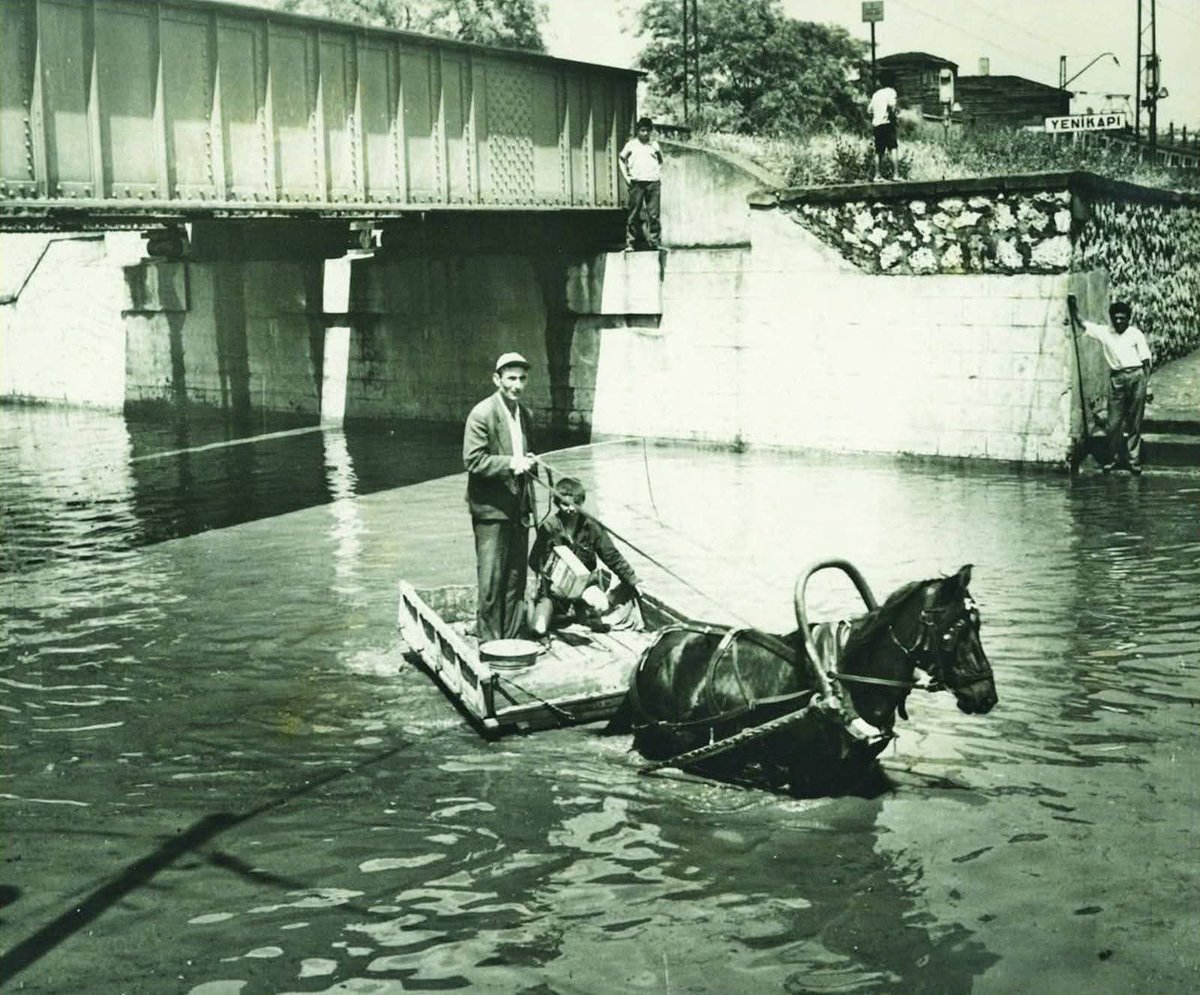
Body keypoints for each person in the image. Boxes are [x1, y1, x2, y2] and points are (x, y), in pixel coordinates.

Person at [463, 352, 539, 642]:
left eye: (522, 379)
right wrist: (510, 463)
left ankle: (513, 636)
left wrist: (530, 462)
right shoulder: (481, 414)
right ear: (497, 379)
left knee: (516, 578)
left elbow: (528, 455)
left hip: (519, 509)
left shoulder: (526, 415)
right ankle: (491, 643)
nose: (517, 385)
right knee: (492, 581)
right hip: (491, 511)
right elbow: (473, 460)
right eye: (511, 378)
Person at [529, 477, 641, 638]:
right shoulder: (548, 528)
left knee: (601, 603)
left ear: (581, 501)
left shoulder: (593, 526)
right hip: (555, 592)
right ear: (557, 503)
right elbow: (534, 561)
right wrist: (551, 574)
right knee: (538, 629)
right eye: (565, 504)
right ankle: (563, 613)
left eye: (575, 503)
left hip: (584, 588)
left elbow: (612, 557)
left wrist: (632, 579)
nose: (570, 509)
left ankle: (584, 613)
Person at [1069, 296, 1153, 474]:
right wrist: (1073, 307)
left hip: (1137, 376)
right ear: (1112, 319)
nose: (1119, 321)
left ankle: (1133, 460)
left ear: (1128, 318)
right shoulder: (1105, 332)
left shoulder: (1136, 334)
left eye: (1122, 318)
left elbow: (1146, 361)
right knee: (1113, 423)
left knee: (1134, 421)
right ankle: (1114, 458)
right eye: (1116, 318)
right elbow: (1082, 323)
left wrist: (1148, 386)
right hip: (1117, 379)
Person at [619, 117, 664, 252]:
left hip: (653, 183)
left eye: (647, 131)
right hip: (637, 183)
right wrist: (626, 177)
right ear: (638, 131)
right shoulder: (631, 145)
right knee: (633, 213)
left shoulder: (654, 145)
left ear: (650, 131)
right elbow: (621, 159)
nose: (644, 133)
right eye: (642, 130)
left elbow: (660, 160)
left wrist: (657, 173)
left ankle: (654, 242)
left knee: (654, 214)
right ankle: (630, 243)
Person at [867, 74, 899, 181]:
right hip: (887, 123)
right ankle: (896, 174)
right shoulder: (891, 92)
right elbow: (892, 106)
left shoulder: (876, 94)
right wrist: (894, 115)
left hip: (877, 125)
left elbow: (869, 110)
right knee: (893, 148)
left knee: (879, 151)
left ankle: (877, 175)